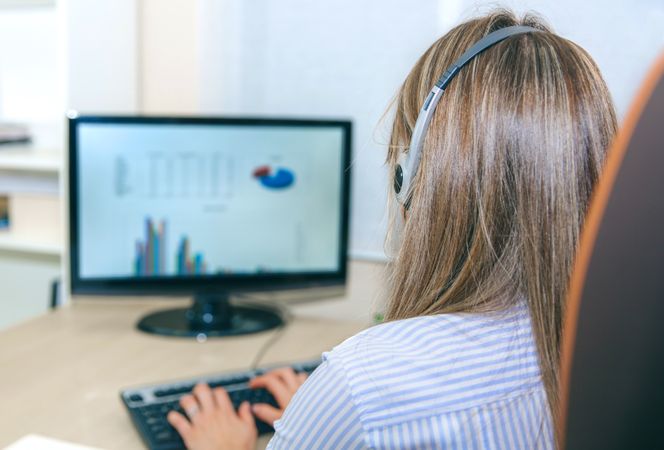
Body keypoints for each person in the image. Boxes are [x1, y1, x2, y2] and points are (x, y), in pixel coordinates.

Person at [167, 9, 617, 449]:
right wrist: (318, 420)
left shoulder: (364, 387)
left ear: (412, 179)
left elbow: (364, 403)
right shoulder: (619, 349)